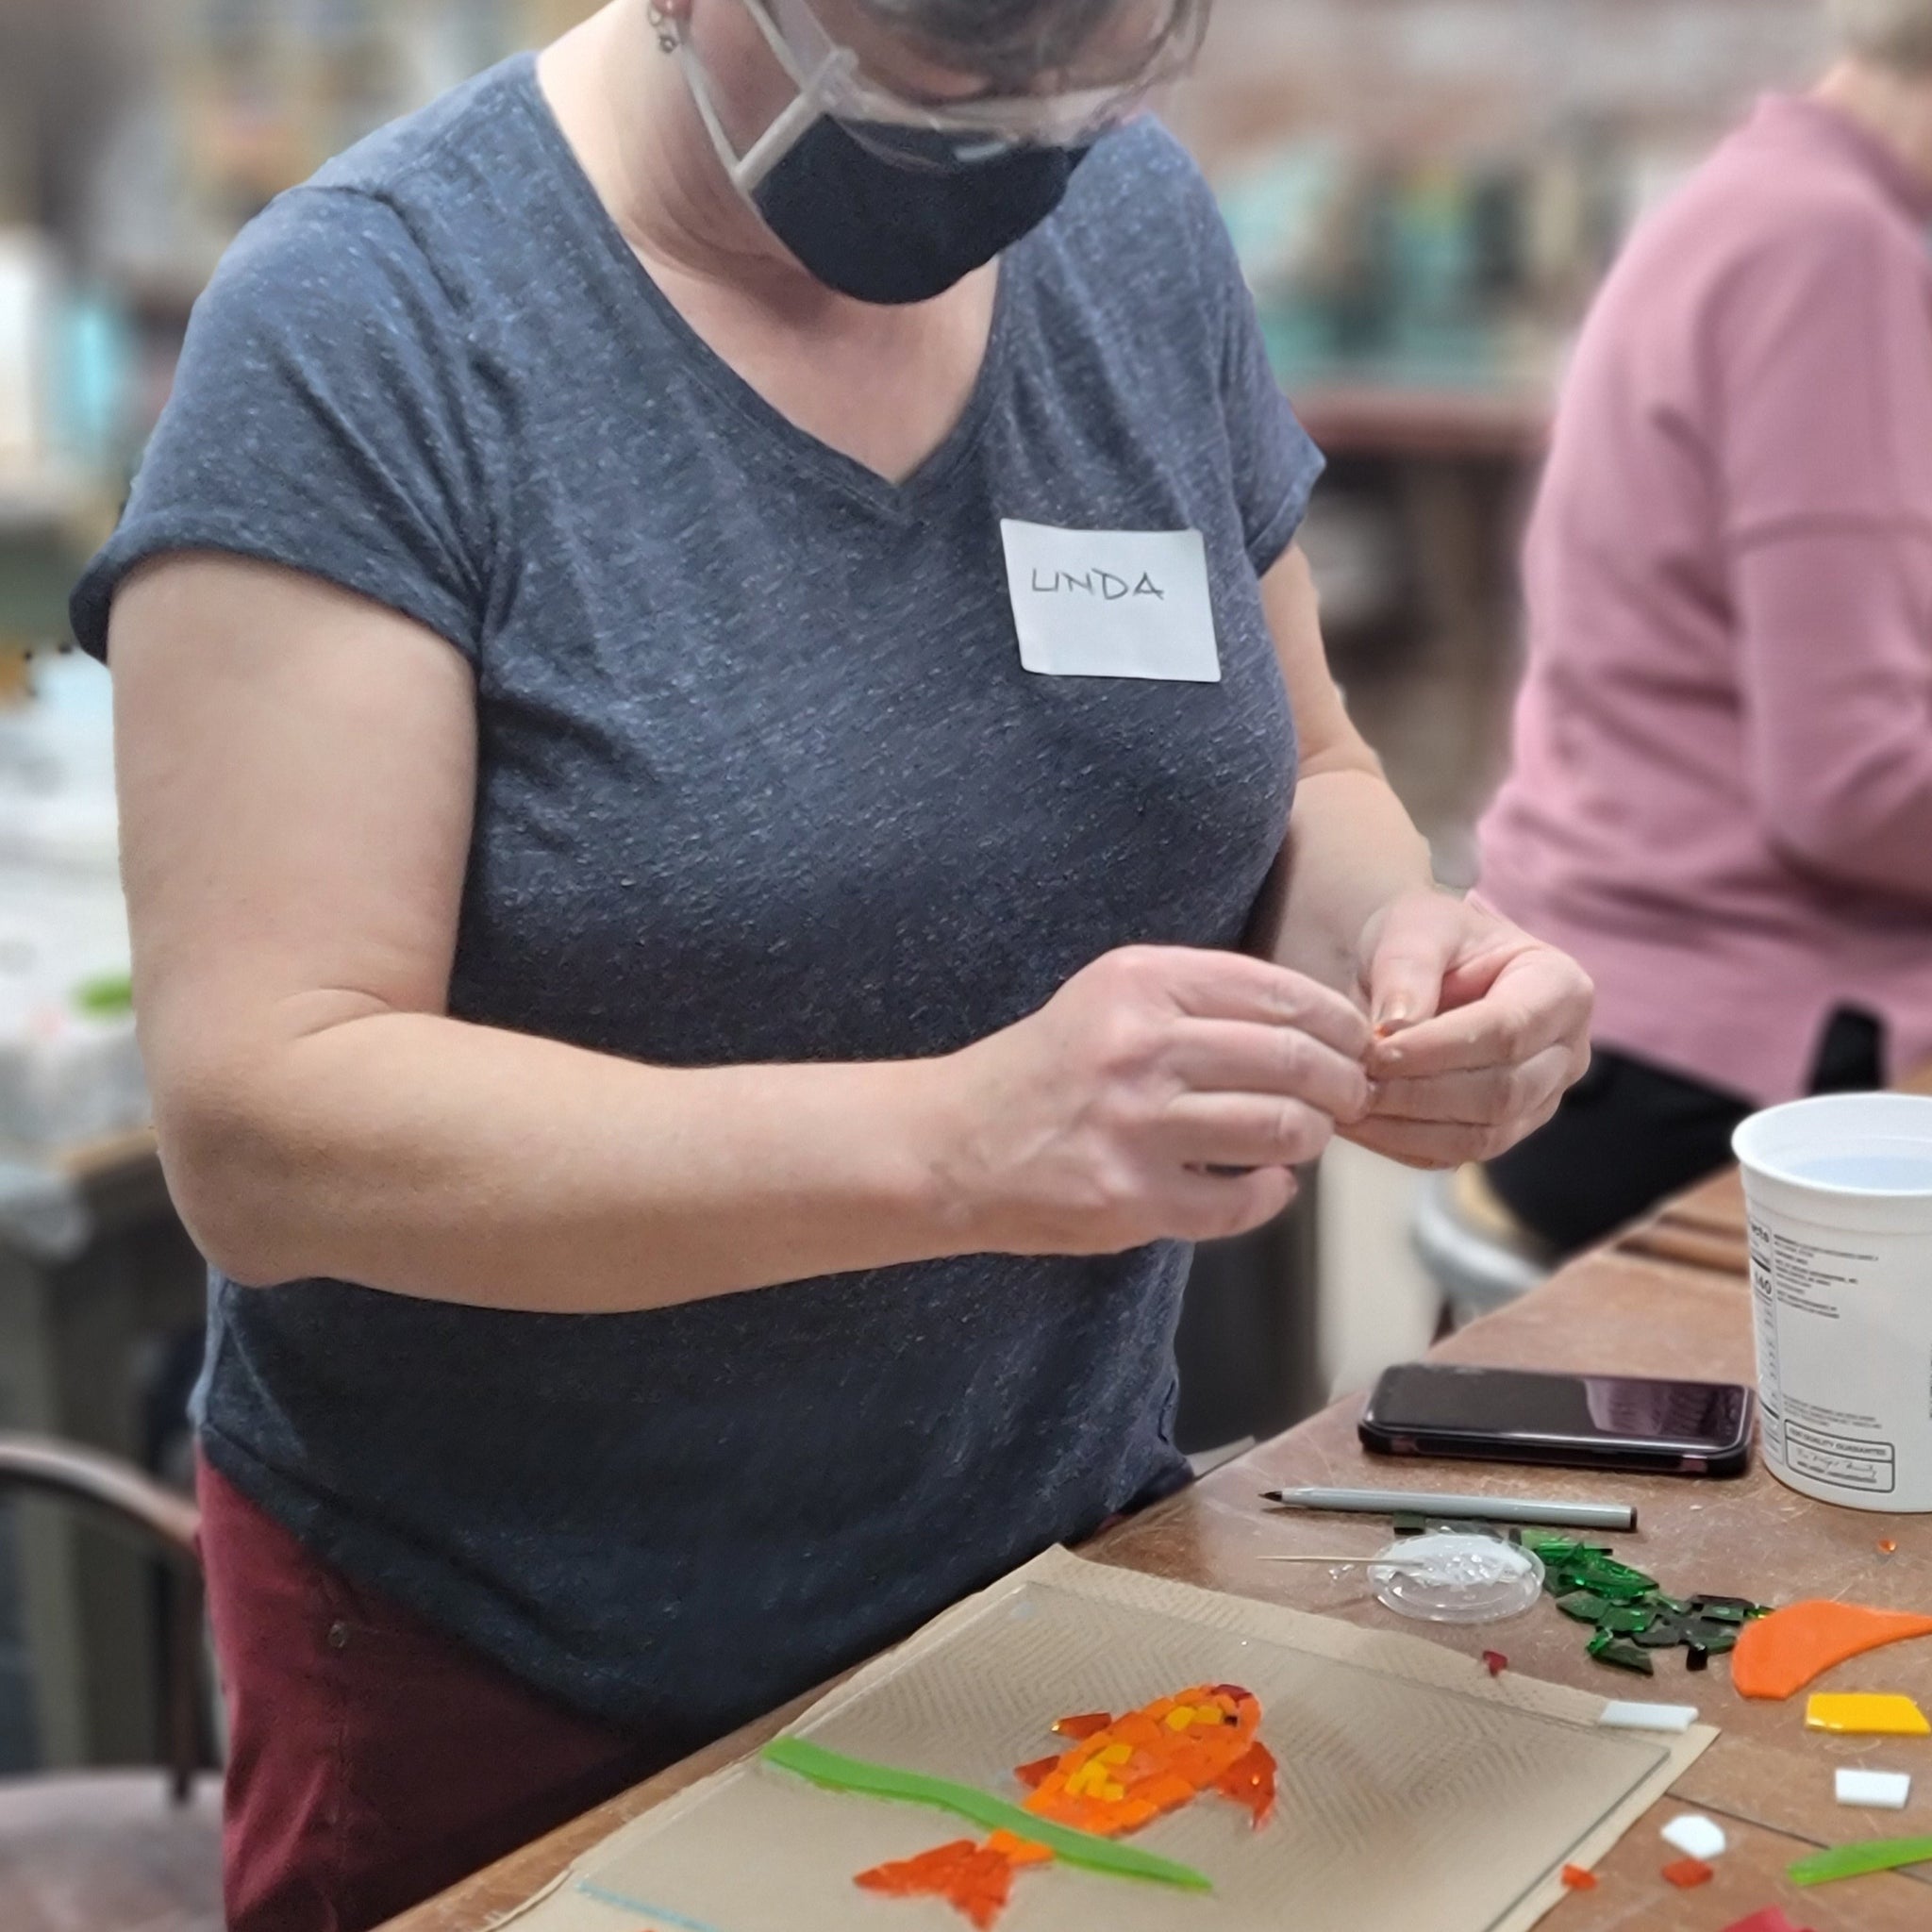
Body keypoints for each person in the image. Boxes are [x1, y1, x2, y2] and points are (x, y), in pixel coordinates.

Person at [78, 1, 1591, 1924]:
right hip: (526, 1658)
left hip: (1045, 1579)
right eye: (927, 75)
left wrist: (1401, 949)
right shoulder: (377, 324)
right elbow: (268, 1122)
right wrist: (957, 1143)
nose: (1014, 142)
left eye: (1084, 70)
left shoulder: (1124, 231)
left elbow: (1301, 769)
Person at [1477, 0, 1932, 1257]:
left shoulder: (1748, 197)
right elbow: (1852, 785)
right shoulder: (1835, 253)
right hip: (1713, 1060)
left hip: (1599, 1003)